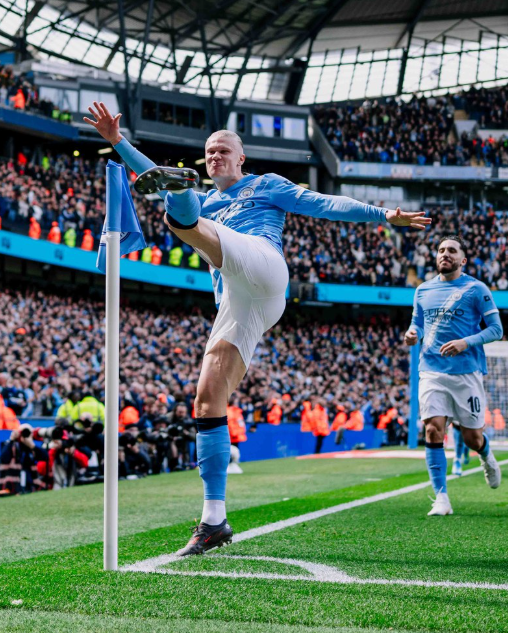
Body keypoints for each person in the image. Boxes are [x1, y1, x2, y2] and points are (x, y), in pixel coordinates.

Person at [86, 101, 428, 555]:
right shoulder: (208, 201)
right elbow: (151, 175)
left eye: (223, 150)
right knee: (207, 397)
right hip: (238, 300)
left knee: (180, 217)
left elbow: (325, 204)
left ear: (240, 158)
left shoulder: (265, 184)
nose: (215, 156)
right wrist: (117, 142)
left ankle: (177, 193)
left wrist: (382, 215)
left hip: (264, 267)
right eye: (210, 152)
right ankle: (214, 519)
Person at [404, 235, 504, 516]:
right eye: (441, 250)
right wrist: (412, 334)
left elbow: (496, 330)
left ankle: (486, 454)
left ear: (463, 260)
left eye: (451, 250)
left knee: (472, 438)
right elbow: (417, 324)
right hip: (431, 370)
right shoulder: (423, 290)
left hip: (466, 373)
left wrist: (465, 342)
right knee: (433, 429)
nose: (445, 254)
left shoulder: (476, 289)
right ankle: (441, 498)